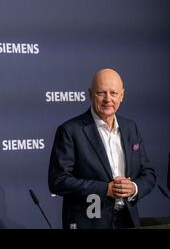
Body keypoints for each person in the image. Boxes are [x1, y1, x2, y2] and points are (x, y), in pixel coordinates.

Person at [48, 68, 156, 229]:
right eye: (101, 93)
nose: (108, 99)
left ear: (122, 95)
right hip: (89, 222)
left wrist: (133, 188)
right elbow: (59, 181)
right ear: (90, 94)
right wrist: (106, 189)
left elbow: (148, 173)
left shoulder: (130, 128)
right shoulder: (70, 130)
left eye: (113, 93)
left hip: (127, 221)